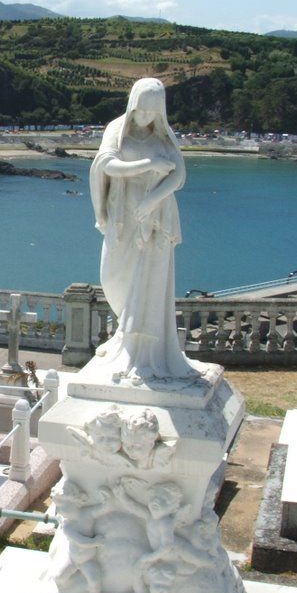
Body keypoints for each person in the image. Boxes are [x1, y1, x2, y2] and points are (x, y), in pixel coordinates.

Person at [89, 78, 203, 383]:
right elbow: (106, 165)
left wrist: (152, 200)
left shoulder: (164, 136)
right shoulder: (117, 129)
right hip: (122, 213)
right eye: (141, 110)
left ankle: (142, 350)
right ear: (132, 104)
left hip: (156, 218)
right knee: (111, 277)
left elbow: (178, 174)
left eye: (152, 113)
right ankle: (123, 337)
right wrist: (148, 163)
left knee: (150, 281)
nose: (145, 117)